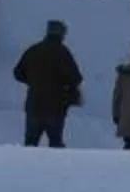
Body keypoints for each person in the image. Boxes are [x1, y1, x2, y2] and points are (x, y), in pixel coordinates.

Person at [13, 20, 82, 149]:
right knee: (55, 143)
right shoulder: (63, 52)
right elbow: (76, 78)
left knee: (30, 143)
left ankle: (26, 167)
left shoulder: (33, 50)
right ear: (61, 34)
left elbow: (17, 73)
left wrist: (33, 81)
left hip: (34, 103)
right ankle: (55, 168)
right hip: (55, 106)